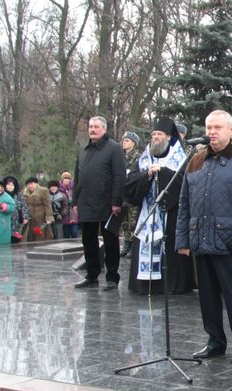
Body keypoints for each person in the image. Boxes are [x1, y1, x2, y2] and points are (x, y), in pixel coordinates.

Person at [175, 110, 232, 363]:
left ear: (230, 130)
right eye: (208, 127)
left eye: (217, 127)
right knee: (208, 295)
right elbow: (185, 203)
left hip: (230, 242)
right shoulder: (196, 160)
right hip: (201, 241)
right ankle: (215, 340)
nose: (211, 132)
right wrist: (183, 240)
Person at [125, 117, 195, 295]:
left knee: (170, 249)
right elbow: (130, 184)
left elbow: (186, 184)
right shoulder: (143, 159)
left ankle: (171, 285)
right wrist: (147, 174)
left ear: (169, 137)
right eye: (154, 134)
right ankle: (145, 284)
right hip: (146, 212)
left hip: (171, 214)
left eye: (160, 134)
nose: (155, 137)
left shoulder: (181, 158)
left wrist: (163, 173)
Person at [72, 116, 126, 290]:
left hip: (107, 203)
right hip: (86, 202)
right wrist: (74, 201)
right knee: (88, 241)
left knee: (110, 240)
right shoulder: (84, 150)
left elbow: (119, 176)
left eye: (96, 127)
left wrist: (117, 201)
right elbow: (77, 177)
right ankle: (92, 274)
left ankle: (112, 277)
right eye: (90, 127)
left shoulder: (114, 148)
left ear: (103, 129)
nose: (92, 130)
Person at [119, 131, 141, 257]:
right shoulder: (120, 157)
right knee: (124, 221)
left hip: (132, 193)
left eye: (127, 140)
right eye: (124, 140)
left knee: (133, 221)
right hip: (122, 193)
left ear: (134, 143)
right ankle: (126, 243)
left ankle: (133, 245)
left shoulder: (138, 157)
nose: (124, 142)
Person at [23, 177, 54, 242]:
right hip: (30, 218)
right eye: (28, 184)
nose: (30, 186)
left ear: (36, 184)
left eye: (32, 184)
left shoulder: (43, 191)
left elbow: (48, 205)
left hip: (41, 218)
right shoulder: (24, 192)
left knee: (41, 235)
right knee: (30, 236)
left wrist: (49, 217)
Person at [3, 176, 29, 243]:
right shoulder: (3, 195)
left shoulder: (18, 194)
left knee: (15, 239)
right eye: (8, 185)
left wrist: (25, 217)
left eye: (12, 185)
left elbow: (24, 206)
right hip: (5, 220)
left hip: (17, 220)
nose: (10, 187)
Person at [59, 171, 78, 238]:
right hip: (64, 216)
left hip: (74, 215)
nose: (66, 180)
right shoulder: (59, 190)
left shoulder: (74, 189)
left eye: (68, 178)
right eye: (65, 178)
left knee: (74, 233)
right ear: (62, 179)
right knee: (66, 235)